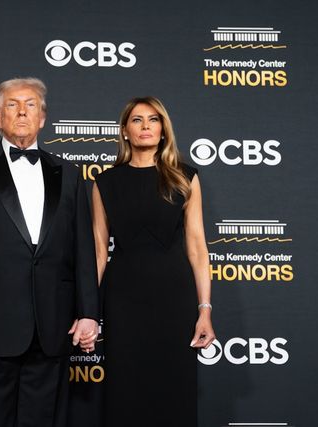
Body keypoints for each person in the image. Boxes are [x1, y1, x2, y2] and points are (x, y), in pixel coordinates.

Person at [0, 77, 99, 427]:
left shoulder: (69, 173)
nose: (22, 111)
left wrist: (89, 313)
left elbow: (83, 249)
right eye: (12, 104)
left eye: (31, 105)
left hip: (52, 326)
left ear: (43, 118)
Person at [92, 97, 215, 426]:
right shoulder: (105, 182)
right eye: (137, 120)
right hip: (123, 300)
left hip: (174, 297)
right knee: (125, 389)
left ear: (163, 130)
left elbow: (197, 248)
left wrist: (204, 310)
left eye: (153, 119)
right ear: (125, 131)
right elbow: (99, 251)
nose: (145, 126)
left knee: (174, 389)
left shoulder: (185, 177)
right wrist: (87, 310)